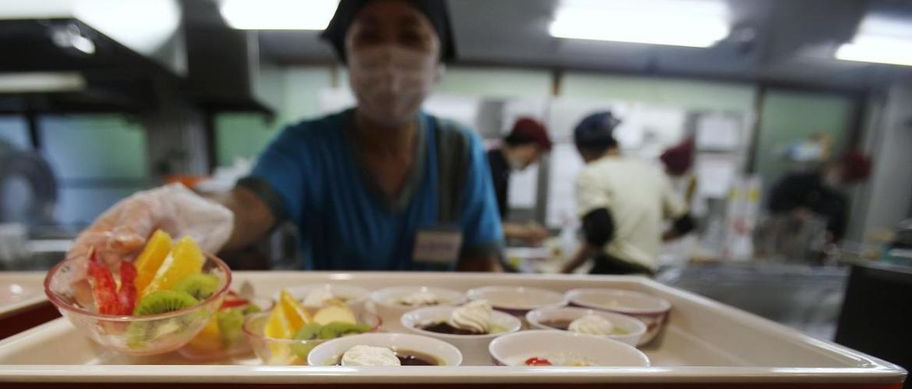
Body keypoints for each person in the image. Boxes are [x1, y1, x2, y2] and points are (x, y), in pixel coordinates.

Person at [70, 0, 503, 272]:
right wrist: (188, 215)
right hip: (335, 348)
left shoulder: (458, 150)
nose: (389, 58)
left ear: (438, 62)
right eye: (369, 37)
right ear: (346, 59)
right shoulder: (309, 145)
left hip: (435, 348)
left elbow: (481, 265)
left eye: (411, 37)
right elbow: (248, 207)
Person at [560, 112, 694, 275]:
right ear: (616, 145)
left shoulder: (591, 173)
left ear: (582, 150)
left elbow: (600, 233)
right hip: (645, 274)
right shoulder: (651, 172)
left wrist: (566, 270)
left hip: (612, 272)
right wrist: (650, 240)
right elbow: (686, 224)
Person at [767, 150, 871, 243]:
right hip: (781, 240)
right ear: (837, 164)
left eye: (847, 180)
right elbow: (774, 203)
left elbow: (838, 234)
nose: (842, 180)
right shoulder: (800, 180)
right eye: (843, 175)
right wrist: (793, 211)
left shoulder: (839, 202)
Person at [486, 117, 551, 245]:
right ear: (524, 145)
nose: (534, 161)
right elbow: (477, 222)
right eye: (536, 153)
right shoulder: (490, 167)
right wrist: (520, 232)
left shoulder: (502, 168)